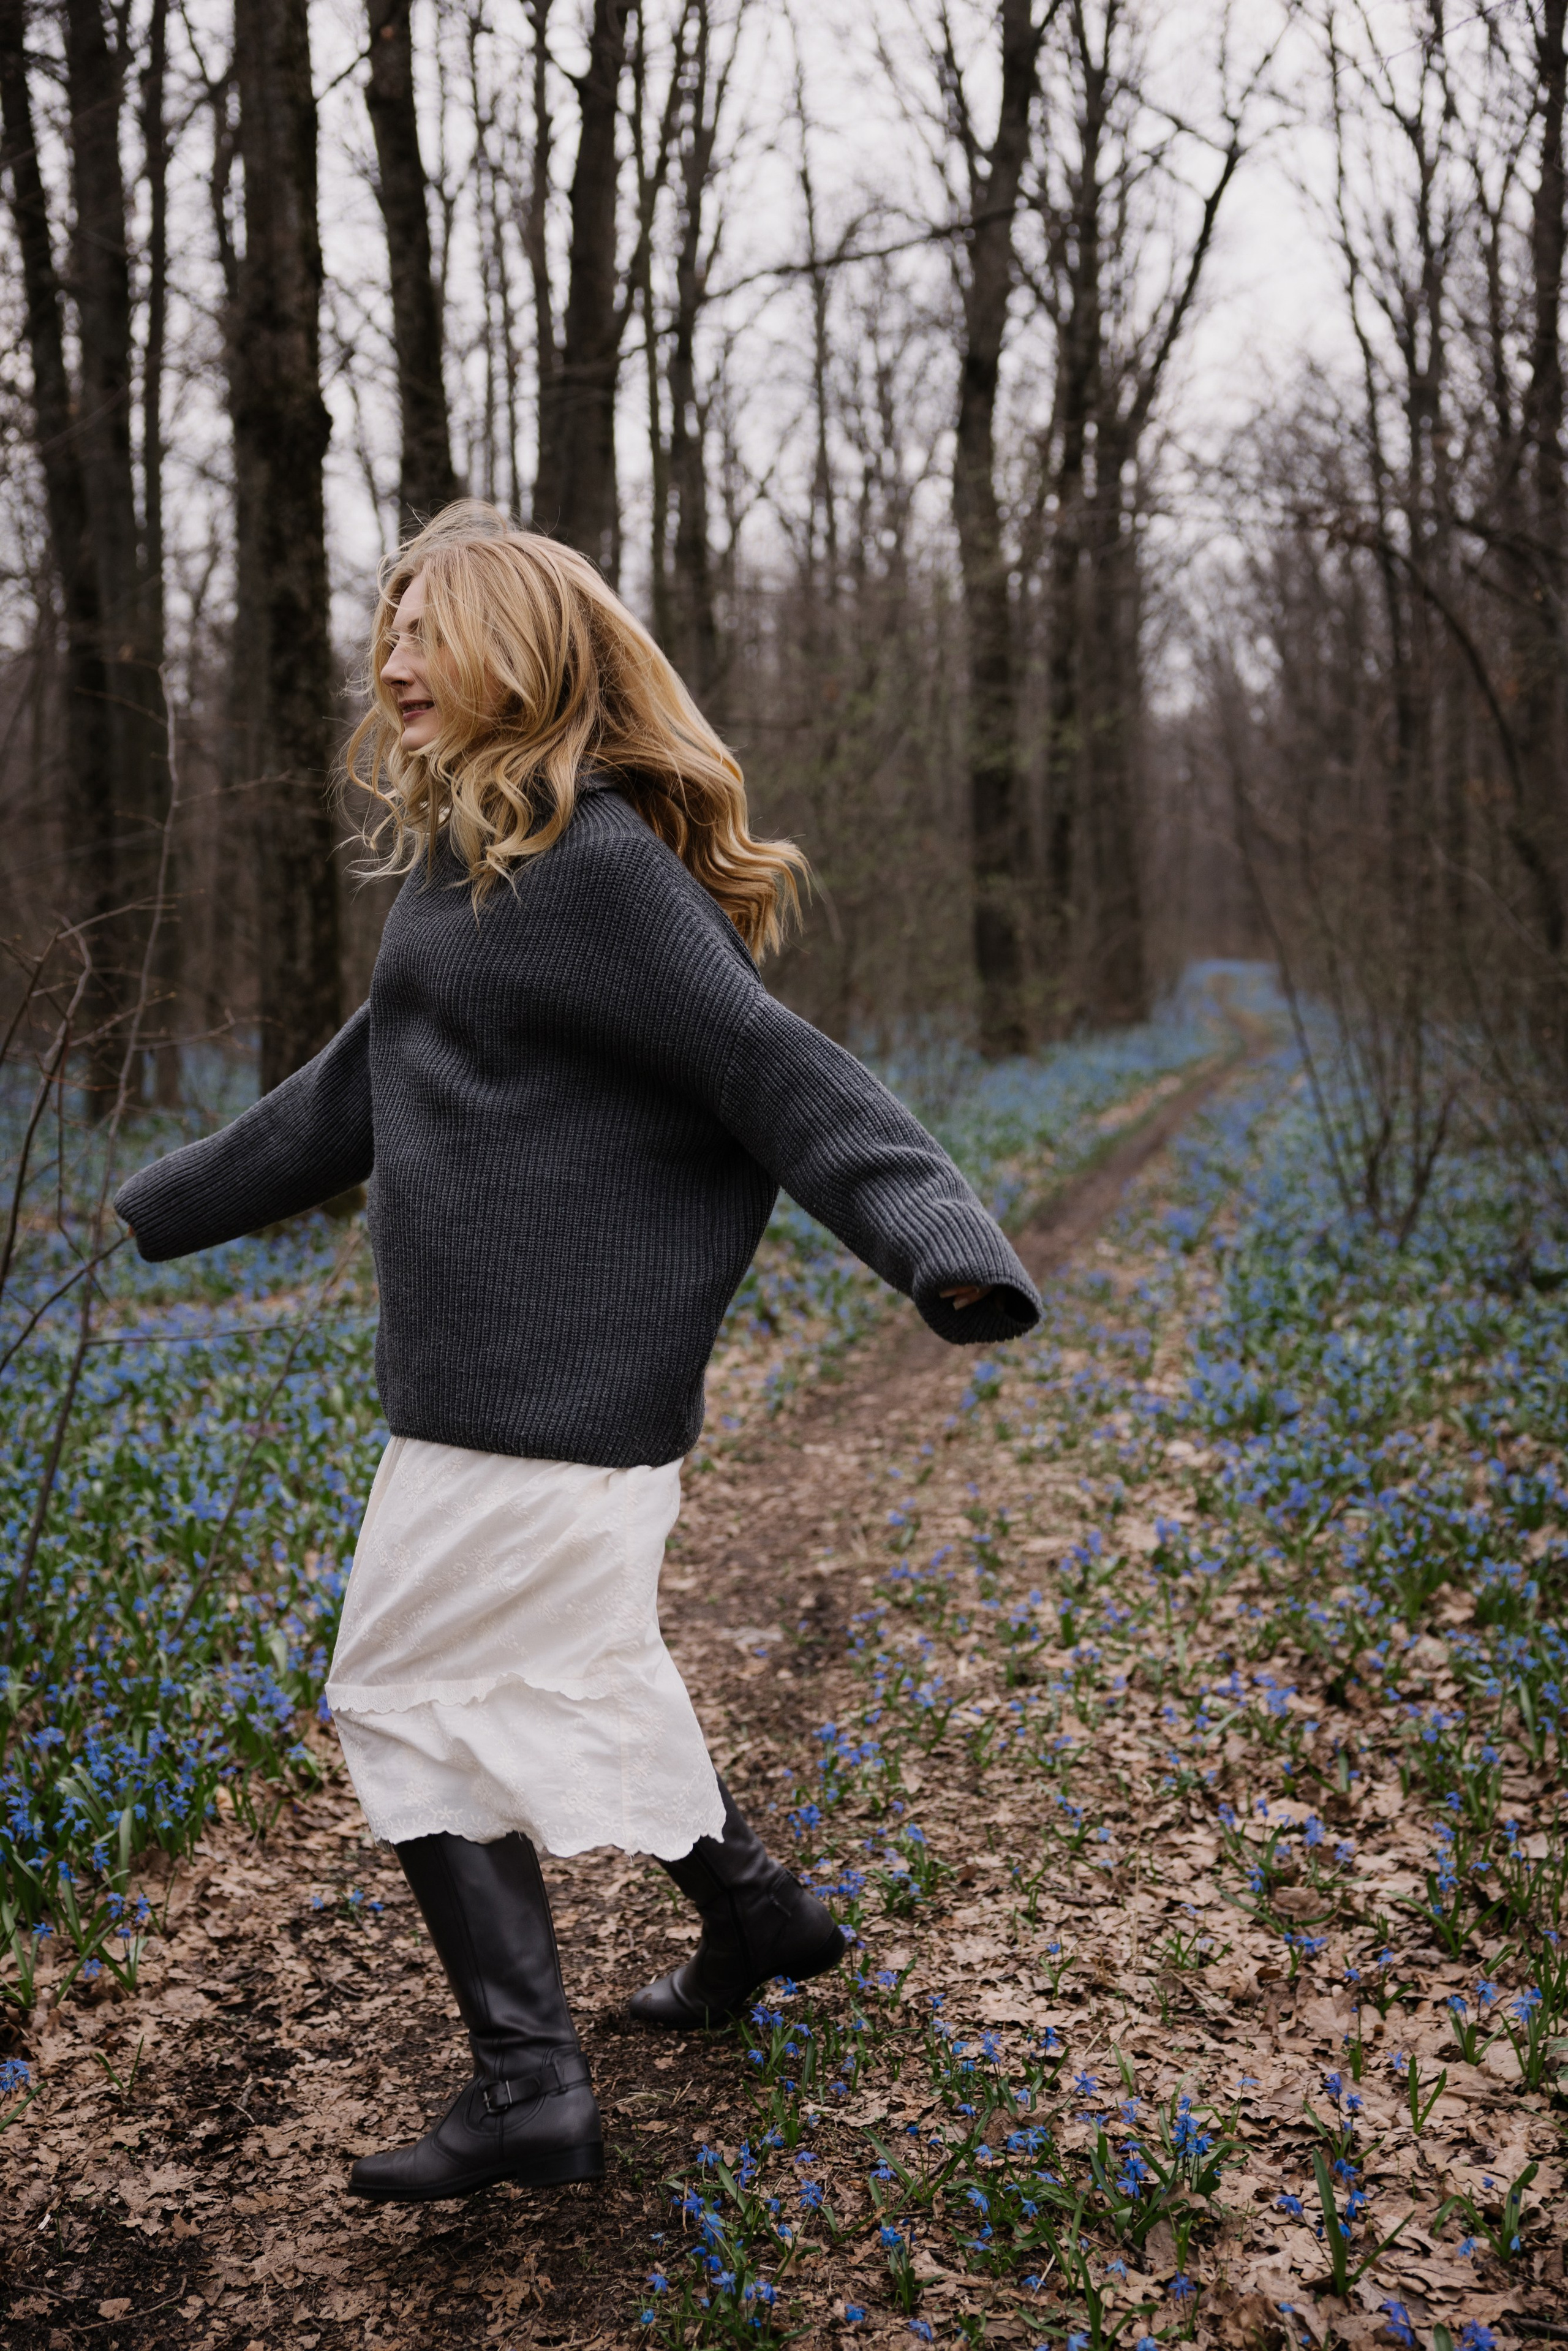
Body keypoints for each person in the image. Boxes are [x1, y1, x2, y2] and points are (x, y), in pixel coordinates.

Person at [116, 500, 1040, 2207]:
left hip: (554, 1401)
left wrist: (942, 1240)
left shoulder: (598, 871)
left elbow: (769, 1065)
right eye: (390, 632)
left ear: (521, 658)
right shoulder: (476, 872)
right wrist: (152, 1211)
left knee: (401, 1692)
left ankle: (531, 2085)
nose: (395, 663)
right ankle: (758, 1916)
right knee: (577, 1670)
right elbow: (352, 1093)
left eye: (431, 633)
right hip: (487, 1392)